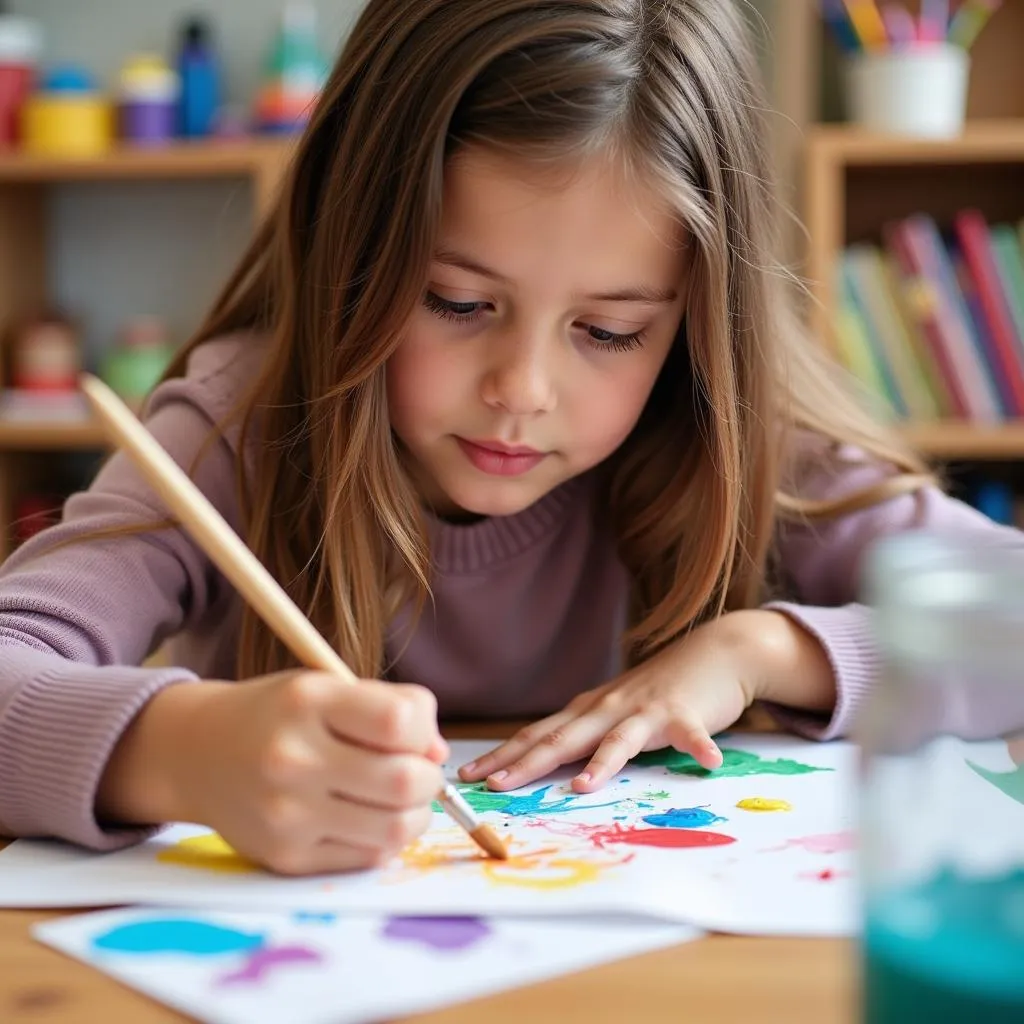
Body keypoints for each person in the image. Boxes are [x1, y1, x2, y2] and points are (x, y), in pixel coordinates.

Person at [0, 0, 1018, 876]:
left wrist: (768, 649)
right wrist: (181, 751)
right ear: (352, 251)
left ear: (699, 323)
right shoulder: (238, 425)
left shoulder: (744, 438)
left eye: (609, 331)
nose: (521, 391)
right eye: (455, 302)